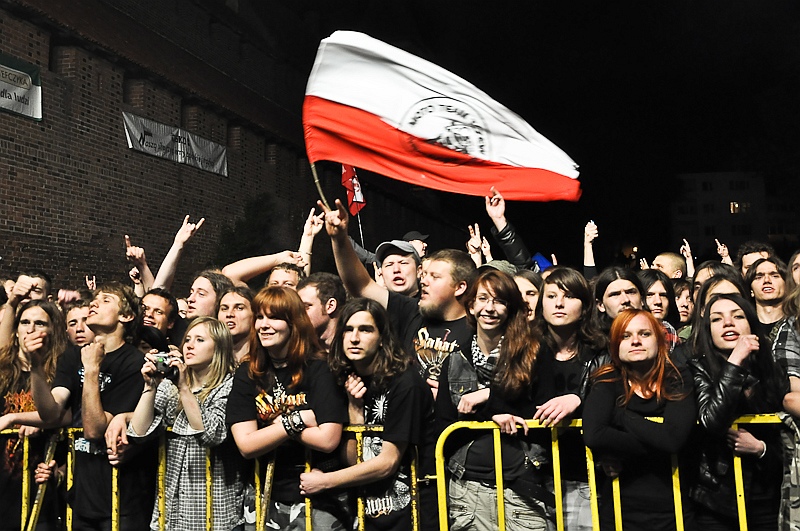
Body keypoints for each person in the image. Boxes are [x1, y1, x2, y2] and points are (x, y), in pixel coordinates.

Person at [299, 298, 436, 531]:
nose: (354, 338)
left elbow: (387, 462)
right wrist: (355, 411)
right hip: (370, 511)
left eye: (365, 330)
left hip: (412, 512)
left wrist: (326, 482)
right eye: (348, 330)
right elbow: (359, 459)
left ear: (382, 338)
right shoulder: (347, 381)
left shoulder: (405, 383)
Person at [30, 282, 156, 530]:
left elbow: (94, 429)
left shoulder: (135, 363)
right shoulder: (72, 356)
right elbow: (51, 412)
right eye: (94, 299)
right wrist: (36, 367)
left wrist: (91, 370)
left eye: (106, 300)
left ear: (126, 316)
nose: (94, 303)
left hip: (121, 498)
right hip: (82, 494)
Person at [226, 287, 349, 530]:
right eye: (259, 317)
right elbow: (246, 445)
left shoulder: (319, 368)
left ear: (294, 322)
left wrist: (271, 427)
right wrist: (296, 420)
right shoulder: (249, 372)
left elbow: (328, 439)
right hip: (265, 493)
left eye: (274, 317)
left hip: (317, 495)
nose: (263, 324)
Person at [321, 198, 475, 387]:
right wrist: (339, 239)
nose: (424, 281)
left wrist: (450, 396)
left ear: (460, 287)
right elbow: (360, 285)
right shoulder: (410, 312)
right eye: (425, 275)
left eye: (434, 277)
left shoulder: (478, 329)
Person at [443, 268, 551, 531]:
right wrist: (492, 413)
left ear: (511, 308)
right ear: (470, 306)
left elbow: (540, 410)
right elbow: (445, 426)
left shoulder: (533, 352)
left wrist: (487, 396)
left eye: (499, 301)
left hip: (522, 487)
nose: (489, 308)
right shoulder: (455, 360)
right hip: (467, 490)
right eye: (482, 299)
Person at [127, 316, 244, 531]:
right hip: (170, 513)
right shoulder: (170, 385)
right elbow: (137, 433)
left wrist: (183, 388)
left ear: (219, 348)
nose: (189, 345)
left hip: (212, 515)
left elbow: (212, 434)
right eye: (188, 339)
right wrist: (151, 387)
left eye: (200, 340)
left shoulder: (230, 385)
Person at [583, 309, 696, 530]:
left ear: (659, 340)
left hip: (673, 510)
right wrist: (659, 444)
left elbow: (673, 440)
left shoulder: (677, 377)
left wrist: (620, 417)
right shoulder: (607, 379)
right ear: (615, 344)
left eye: (644, 334)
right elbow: (594, 434)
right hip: (619, 508)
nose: (635, 341)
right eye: (625, 336)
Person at [688, 293, 788, 529]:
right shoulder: (697, 369)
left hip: (765, 495)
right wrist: (735, 362)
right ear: (707, 331)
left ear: (751, 324)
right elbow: (712, 422)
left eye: (737, 316)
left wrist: (760, 449)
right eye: (716, 319)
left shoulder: (770, 370)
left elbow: (784, 437)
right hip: (715, 499)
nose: (728, 323)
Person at [530, 266, 608, 530]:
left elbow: (614, 397)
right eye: (551, 296)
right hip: (533, 474)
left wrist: (578, 400)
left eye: (569, 296)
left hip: (584, 475)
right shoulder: (527, 348)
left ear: (585, 306)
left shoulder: (601, 350)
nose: (559, 303)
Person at [0, 300, 67, 531]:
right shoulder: (3, 370)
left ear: (52, 331)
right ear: (16, 330)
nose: (30, 329)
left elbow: (62, 416)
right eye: (25, 322)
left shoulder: (61, 371)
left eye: (40, 323)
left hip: (37, 483)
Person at [297, 272, 346, 351]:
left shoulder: (352, 347)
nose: (299, 313)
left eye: (306, 307)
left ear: (330, 306)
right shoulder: (301, 351)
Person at [743, 257, 786, 343]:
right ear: (751, 290)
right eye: (759, 277)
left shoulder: (796, 324)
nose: (767, 280)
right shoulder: (744, 326)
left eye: (774, 276)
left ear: (787, 285)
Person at [592, 266, 644, 334]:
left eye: (631, 292)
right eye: (615, 294)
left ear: (642, 299)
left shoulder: (658, 336)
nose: (626, 300)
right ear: (600, 305)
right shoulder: (591, 343)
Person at [217, 286, 255, 364]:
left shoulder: (264, 363)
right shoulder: (208, 362)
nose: (229, 314)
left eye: (239, 308)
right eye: (224, 308)